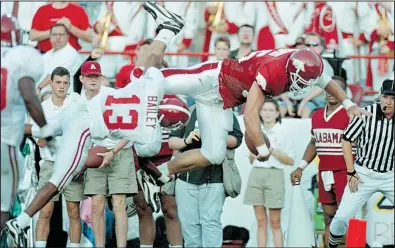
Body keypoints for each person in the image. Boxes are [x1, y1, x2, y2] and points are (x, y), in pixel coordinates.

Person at [2, 3, 185, 247]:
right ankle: (167, 32)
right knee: (143, 71)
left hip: (135, 131)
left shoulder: (87, 108)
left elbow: (89, 152)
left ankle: (22, 221)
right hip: (138, 128)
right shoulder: (99, 100)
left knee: (60, 177)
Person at [0, 14, 54, 232]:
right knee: (3, 205)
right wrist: (47, 131)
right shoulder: (19, 58)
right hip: (5, 142)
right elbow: (29, 96)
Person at [328, 79, 394, 248]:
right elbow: (346, 140)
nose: (389, 102)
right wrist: (351, 172)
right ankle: (332, 245)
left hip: (391, 176)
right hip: (364, 173)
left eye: (393, 98)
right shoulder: (365, 113)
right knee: (342, 217)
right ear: (380, 95)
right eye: (386, 96)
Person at [27, 67, 86, 248]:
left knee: (73, 211)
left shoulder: (77, 103)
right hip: (50, 163)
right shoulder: (42, 108)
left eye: (65, 83)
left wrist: (57, 135)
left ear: (70, 84)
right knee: (45, 211)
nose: (62, 86)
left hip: (73, 163)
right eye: (58, 82)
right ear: (51, 83)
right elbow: (40, 142)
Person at [290, 76, 352, 247]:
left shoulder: (350, 114)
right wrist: (300, 167)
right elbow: (313, 143)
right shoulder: (316, 115)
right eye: (328, 88)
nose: (331, 92)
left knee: (344, 220)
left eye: (336, 88)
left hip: (344, 173)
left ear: (343, 93)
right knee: (328, 220)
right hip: (324, 173)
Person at [170, 106, 243, 247]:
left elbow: (236, 140)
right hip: (185, 177)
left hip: (214, 177)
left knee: (211, 223)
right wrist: (187, 140)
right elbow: (172, 141)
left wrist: (214, 136)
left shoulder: (224, 111)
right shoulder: (189, 110)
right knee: (189, 226)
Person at [245, 99, 295, 248]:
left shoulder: (283, 132)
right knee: (260, 221)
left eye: (271, 110)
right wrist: (254, 154)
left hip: (275, 175)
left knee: (275, 222)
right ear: (260, 112)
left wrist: (272, 151)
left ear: (277, 113)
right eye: (264, 110)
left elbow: (290, 160)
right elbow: (251, 159)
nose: (267, 113)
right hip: (256, 175)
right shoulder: (255, 131)